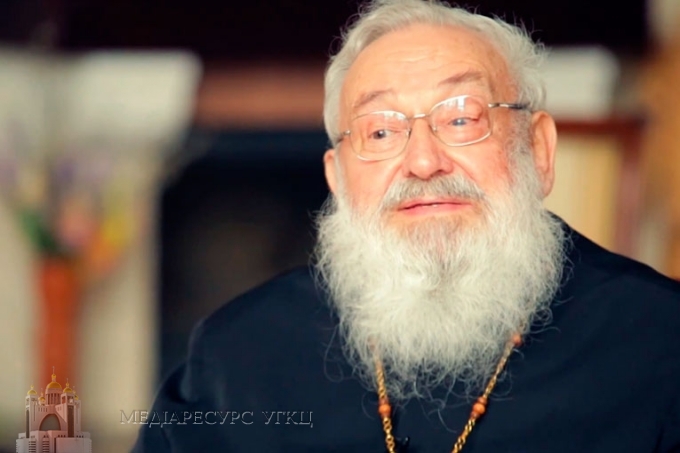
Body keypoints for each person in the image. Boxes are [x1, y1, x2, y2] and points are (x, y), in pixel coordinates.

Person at [131, 0, 680, 451]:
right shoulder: (239, 351)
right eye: (380, 132)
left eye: (461, 118)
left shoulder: (660, 339)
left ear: (537, 149)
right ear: (337, 178)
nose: (422, 162)